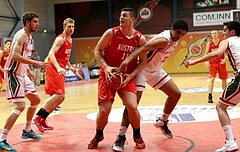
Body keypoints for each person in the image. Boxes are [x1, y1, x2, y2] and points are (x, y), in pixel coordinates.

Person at [115, 19, 189, 151]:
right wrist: (127, 61)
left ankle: (162, 121)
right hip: (143, 70)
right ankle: (121, 136)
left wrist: (151, 41)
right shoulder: (164, 40)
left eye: (182, 34)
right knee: (132, 106)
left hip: (156, 71)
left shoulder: (172, 39)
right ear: (172, 29)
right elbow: (142, 48)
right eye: (177, 32)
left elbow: (149, 40)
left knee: (175, 94)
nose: (179, 36)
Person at [87, 7, 147, 151]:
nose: (121, 18)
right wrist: (106, 67)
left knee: (132, 106)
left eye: (125, 16)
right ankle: (98, 134)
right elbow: (97, 50)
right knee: (104, 111)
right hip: (107, 76)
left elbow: (143, 61)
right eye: (120, 16)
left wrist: (131, 76)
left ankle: (137, 135)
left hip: (125, 77)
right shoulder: (111, 33)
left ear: (132, 20)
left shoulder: (140, 39)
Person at [184, 21, 240, 152]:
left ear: (232, 32)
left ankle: (230, 142)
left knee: (220, 106)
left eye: (225, 30)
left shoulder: (227, 41)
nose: (222, 33)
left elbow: (216, 54)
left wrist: (194, 61)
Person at [0, 11, 49, 152]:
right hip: (13, 74)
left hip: (22, 74)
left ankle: (27, 130)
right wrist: (37, 63)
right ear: (27, 22)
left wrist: (28, 71)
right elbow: (15, 56)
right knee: (20, 106)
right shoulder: (21, 35)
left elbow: (24, 56)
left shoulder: (30, 38)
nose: (37, 24)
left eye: (38, 22)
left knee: (35, 100)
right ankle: (2, 139)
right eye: (35, 22)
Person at [32, 18, 76, 133]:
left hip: (59, 68)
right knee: (58, 95)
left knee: (61, 97)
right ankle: (37, 117)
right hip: (53, 67)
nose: (71, 29)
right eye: (69, 27)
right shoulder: (60, 39)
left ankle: (43, 118)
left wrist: (70, 66)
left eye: (72, 27)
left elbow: (64, 56)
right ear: (64, 27)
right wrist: (58, 67)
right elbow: (51, 53)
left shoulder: (70, 40)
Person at [204, 30, 228, 103]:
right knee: (212, 79)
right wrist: (206, 61)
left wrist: (225, 59)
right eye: (212, 33)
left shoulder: (222, 42)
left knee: (224, 79)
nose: (214, 35)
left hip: (221, 63)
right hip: (213, 63)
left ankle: (224, 96)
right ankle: (210, 96)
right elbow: (206, 53)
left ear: (218, 34)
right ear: (211, 35)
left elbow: (226, 52)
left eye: (215, 33)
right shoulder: (209, 43)